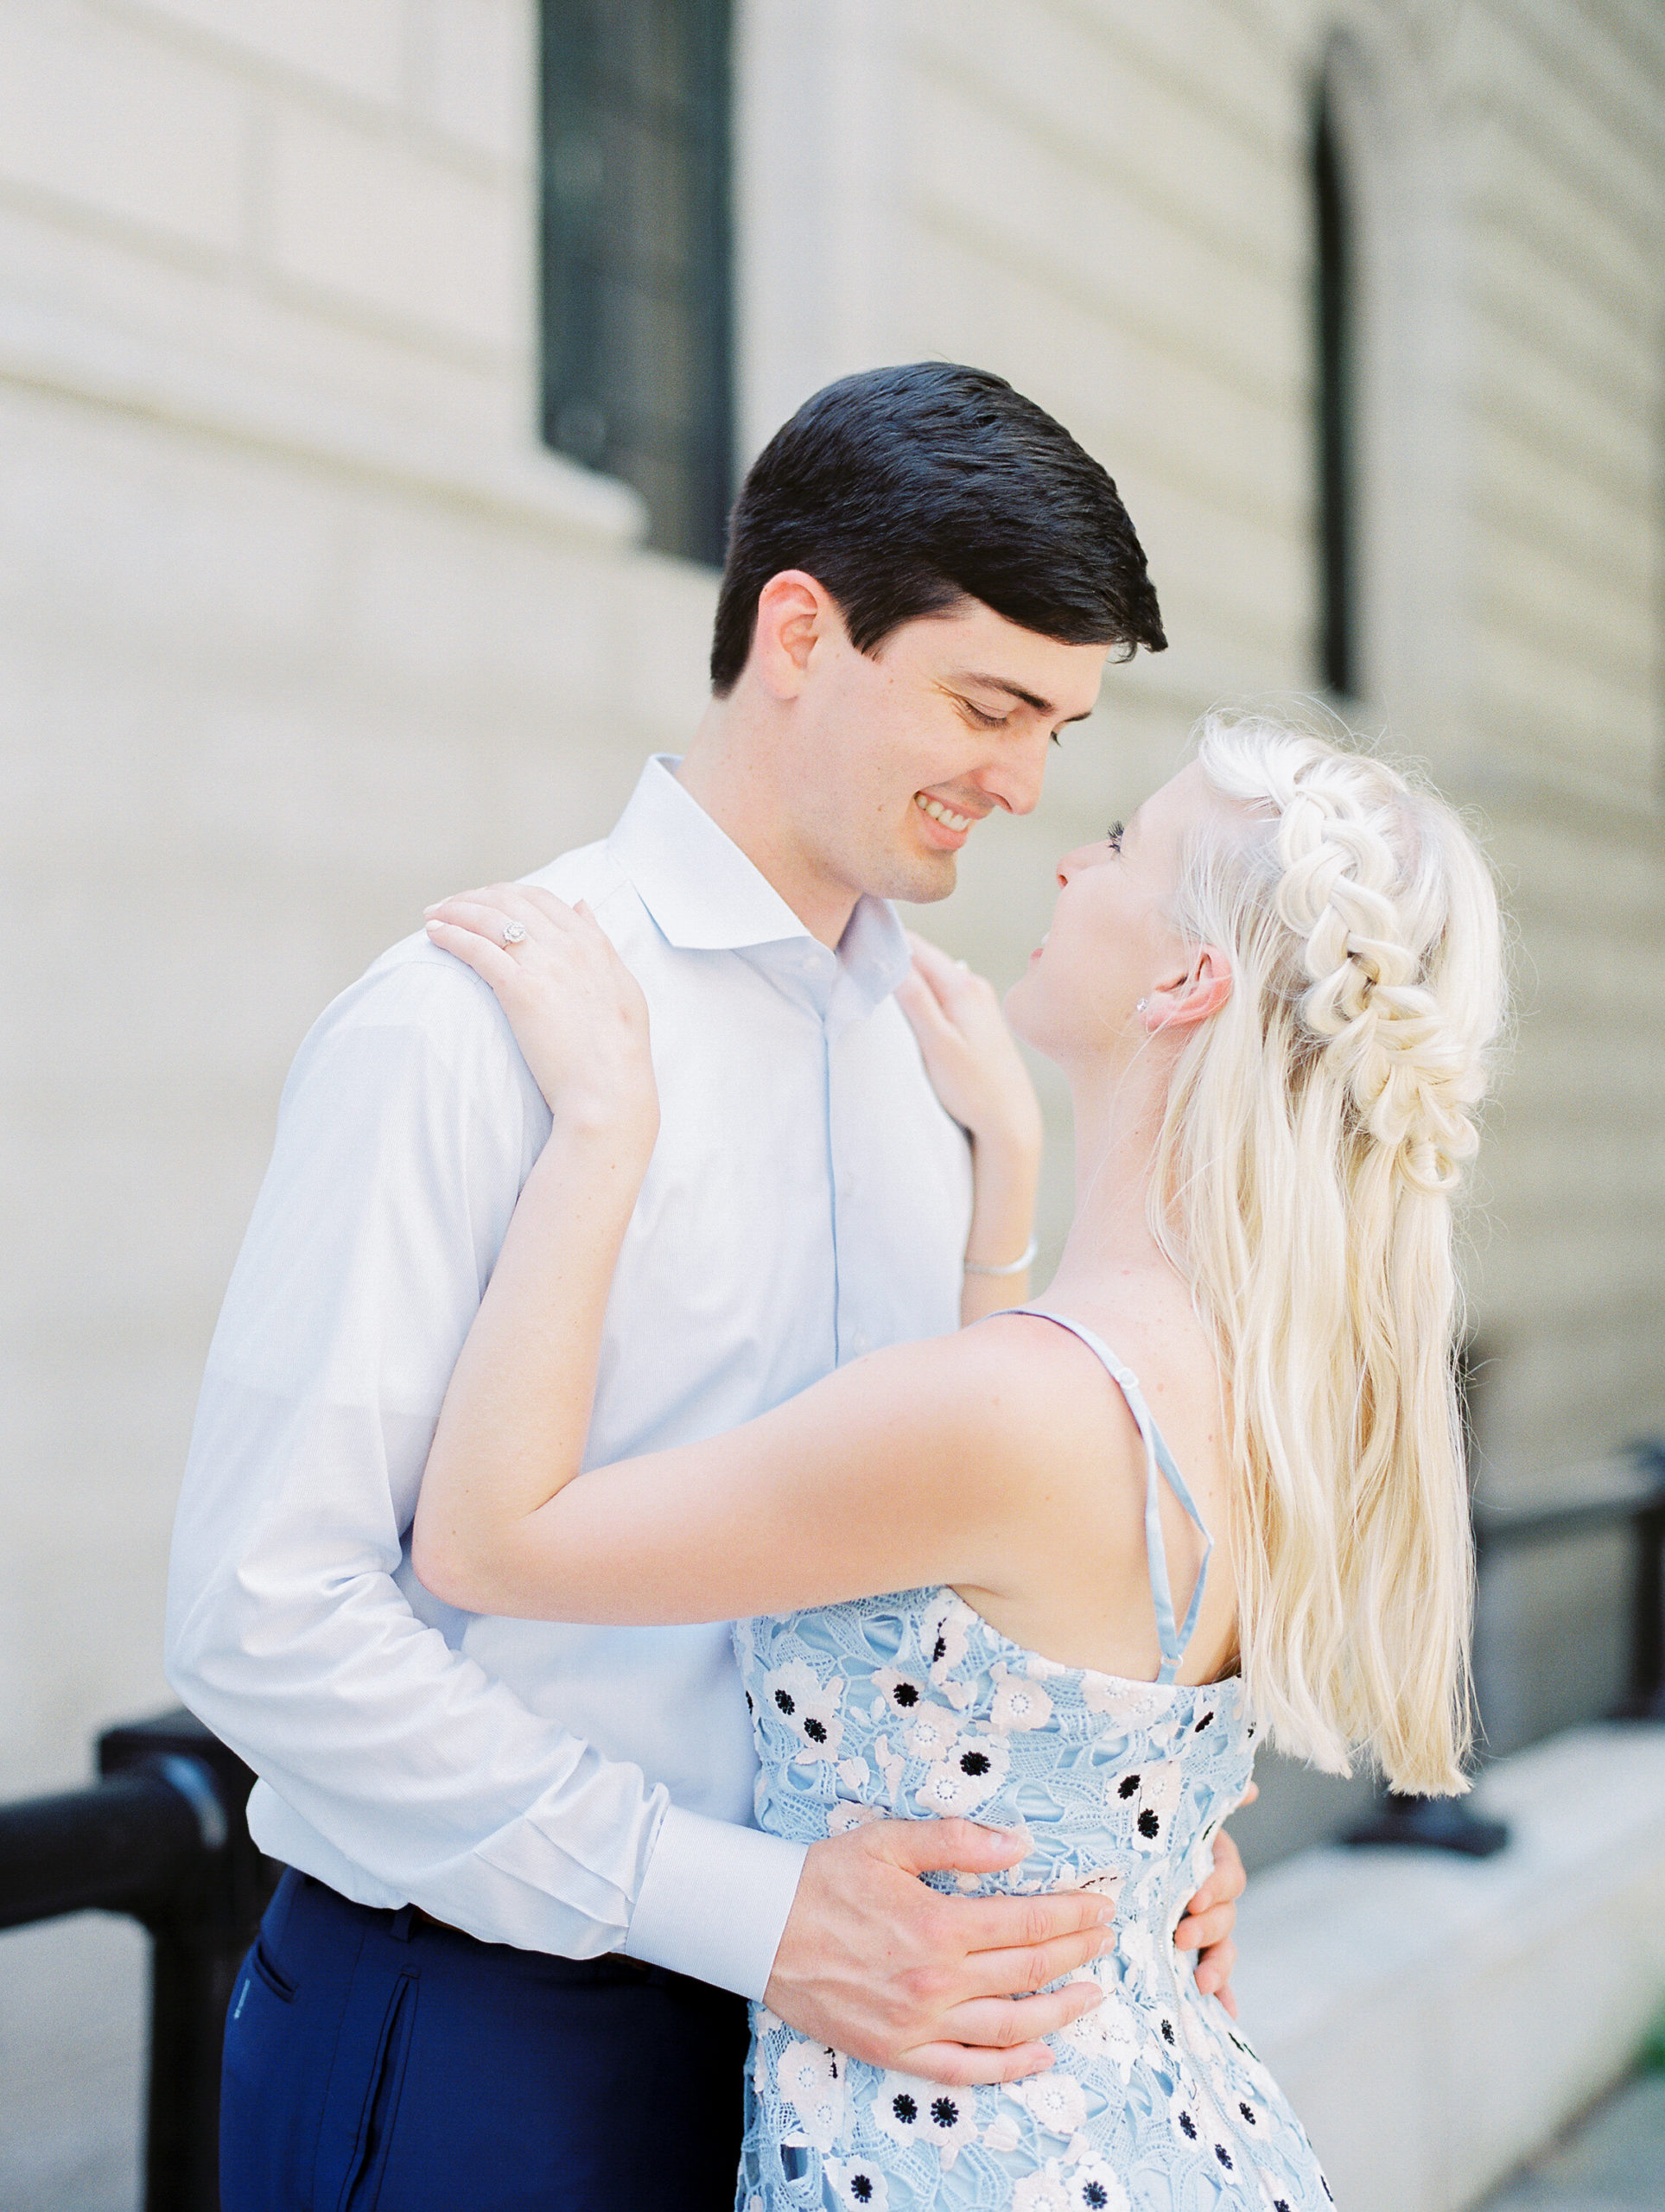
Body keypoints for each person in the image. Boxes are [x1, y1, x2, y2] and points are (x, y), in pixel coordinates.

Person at [165, 362, 1246, 2212]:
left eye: (1060, 728)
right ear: (801, 631)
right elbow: (264, 1612)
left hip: (843, 2065)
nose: (1024, 782)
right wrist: (746, 1908)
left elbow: (941, 1569)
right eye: (989, 703)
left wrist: (1124, 1841)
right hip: (488, 2033)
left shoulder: (948, 1066)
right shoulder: (467, 1021)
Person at [410, 711, 1506, 2210]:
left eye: (1124, 843)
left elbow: (488, 1544)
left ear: (1192, 979)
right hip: (1166, 2132)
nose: (1066, 855)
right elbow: (998, 1620)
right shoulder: (1261, 1390)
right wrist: (1012, 1185)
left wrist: (603, 1129)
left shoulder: (1017, 1414)